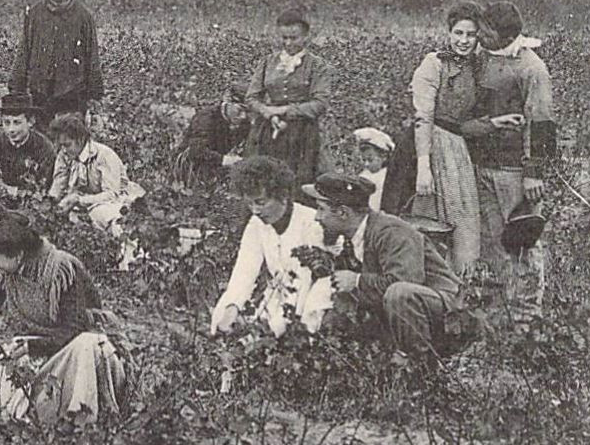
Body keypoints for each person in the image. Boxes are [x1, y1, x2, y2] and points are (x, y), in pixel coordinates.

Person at [0, 203, 126, 426]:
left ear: (17, 254)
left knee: (88, 343)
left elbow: (75, 331)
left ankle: (82, 421)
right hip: (45, 356)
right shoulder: (12, 273)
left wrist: (30, 347)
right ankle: (35, 412)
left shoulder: (61, 270)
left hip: (82, 359)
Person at [303, 172, 461, 360]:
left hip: (451, 314)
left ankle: (420, 369)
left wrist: (358, 281)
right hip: (414, 319)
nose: (317, 217)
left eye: (321, 209)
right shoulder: (352, 238)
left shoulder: (391, 232)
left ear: (343, 213)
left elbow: (406, 284)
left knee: (399, 293)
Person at [466, 1, 556, 275]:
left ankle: (527, 314)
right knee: (491, 244)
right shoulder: (482, 58)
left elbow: (541, 121)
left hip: (513, 173)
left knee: (522, 244)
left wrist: (533, 173)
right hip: (483, 168)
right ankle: (498, 310)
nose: (479, 36)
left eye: (486, 32)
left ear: (506, 36)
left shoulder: (531, 68)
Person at [404, 1, 487, 275]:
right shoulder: (434, 63)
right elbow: (423, 116)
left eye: (470, 34)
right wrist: (423, 167)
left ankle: (462, 287)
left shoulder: (480, 64)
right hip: (429, 144)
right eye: (458, 33)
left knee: (463, 224)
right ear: (449, 33)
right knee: (426, 220)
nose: (464, 41)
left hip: (460, 149)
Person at [209, 157, 331, 336]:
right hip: (277, 298)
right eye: (249, 203)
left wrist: (273, 329)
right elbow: (244, 271)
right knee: (223, 320)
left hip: (309, 302)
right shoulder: (256, 224)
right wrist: (231, 308)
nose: (255, 211)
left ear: (282, 195)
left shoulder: (310, 224)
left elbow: (303, 283)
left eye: (260, 202)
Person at [243, 8, 333, 185]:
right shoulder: (267, 62)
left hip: (302, 132)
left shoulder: (317, 66)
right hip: (267, 130)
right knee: (264, 179)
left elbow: (320, 104)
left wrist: (285, 110)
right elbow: (251, 97)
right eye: (284, 38)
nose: (288, 43)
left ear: (306, 36)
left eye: (294, 38)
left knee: (298, 180)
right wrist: (267, 112)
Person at [7, 0, 103, 124]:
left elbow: (92, 58)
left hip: (72, 99)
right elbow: (24, 53)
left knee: (69, 144)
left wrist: (94, 99)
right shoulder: (35, 15)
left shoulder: (83, 17)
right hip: (40, 98)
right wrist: (17, 89)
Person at [46, 113, 144, 237]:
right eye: (61, 145)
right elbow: (58, 184)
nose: (64, 150)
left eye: (67, 145)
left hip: (114, 203)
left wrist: (79, 200)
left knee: (107, 217)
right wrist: (50, 205)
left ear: (80, 139)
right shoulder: (64, 155)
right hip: (82, 205)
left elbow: (112, 194)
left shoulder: (104, 155)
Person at [0, 92, 56, 198]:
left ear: (30, 122)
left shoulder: (43, 147)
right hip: (2, 201)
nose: (11, 129)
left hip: (31, 206)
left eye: (17, 122)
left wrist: (5, 187)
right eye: (6, 123)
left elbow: (42, 190)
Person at [172, 81, 250, 191]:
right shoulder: (206, 118)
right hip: (190, 169)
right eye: (240, 110)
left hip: (214, 164)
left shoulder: (244, 123)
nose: (243, 116)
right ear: (228, 102)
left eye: (248, 111)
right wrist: (226, 160)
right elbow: (196, 151)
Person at [353, 127, 394, 211]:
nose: (366, 164)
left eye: (370, 160)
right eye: (364, 160)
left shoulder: (389, 177)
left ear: (384, 156)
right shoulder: (363, 176)